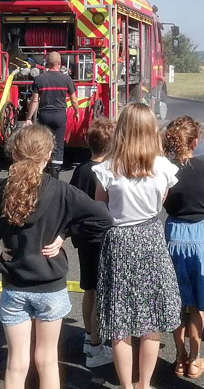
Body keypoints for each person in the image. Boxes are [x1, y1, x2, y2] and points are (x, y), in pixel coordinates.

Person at [0, 124, 111, 389]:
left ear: (14, 153)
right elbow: (103, 219)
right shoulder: (62, 191)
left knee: (16, 363)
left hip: (14, 286)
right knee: (47, 361)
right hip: (50, 287)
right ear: (47, 156)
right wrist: (65, 233)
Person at [93, 103, 182, 389]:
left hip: (118, 241)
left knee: (120, 321)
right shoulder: (163, 167)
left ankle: (126, 386)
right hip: (151, 239)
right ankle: (144, 384)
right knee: (151, 319)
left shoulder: (107, 168)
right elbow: (161, 201)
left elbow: (99, 208)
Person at [163, 115, 204, 379]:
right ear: (194, 142)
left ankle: (179, 357)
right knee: (198, 303)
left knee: (177, 301)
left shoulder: (166, 169)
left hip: (174, 232)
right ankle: (194, 358)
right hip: (200, 233)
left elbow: (164, 200)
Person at [68, 117, 117, 369]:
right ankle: (96, 346)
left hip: (84, 237)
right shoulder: (106, 172)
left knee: (89, 288)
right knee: (101, 291)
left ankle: (89, 336)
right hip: (102, 238)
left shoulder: (81, 170)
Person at [26, 51, 80, 178]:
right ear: (59, 63)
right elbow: (74, 100)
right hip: (60, 115)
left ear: (47, 63)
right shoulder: (66, 79)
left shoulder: (39, 79)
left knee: (44, 142)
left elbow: (34, 101)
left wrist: (28, 118)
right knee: (58, 144)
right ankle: (55, 172)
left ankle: (43, 169)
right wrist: (77, 112)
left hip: (44, 115)